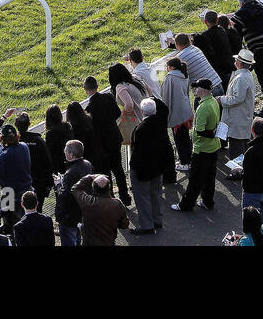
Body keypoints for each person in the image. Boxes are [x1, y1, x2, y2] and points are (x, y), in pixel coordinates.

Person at [174, 79, 221, 212]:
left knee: (195, 178)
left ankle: (186, 205)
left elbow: (200, 131)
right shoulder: (213, 102)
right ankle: (207, 201)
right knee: (209, 177)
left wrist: (208, 134)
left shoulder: (203, 107)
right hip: (213, 147)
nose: (194, 90)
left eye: (196, 88)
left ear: (204, 90)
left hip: (202, 149)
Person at [82, 76, 129, 205]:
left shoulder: (89, 109)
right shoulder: (108, 97)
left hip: (102, 145)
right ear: (97, 87)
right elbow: (117, 114)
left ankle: (111, 199)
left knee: (106, 173)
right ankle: (125, 197)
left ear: (85, 89)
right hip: (115, 138)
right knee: (119, 170)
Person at [127, 98, 171, 235]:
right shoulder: (161, 122)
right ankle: (157, 220)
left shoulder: (140, 129)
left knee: (142, 198)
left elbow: (137, 153)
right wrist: (153, 97)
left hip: (142, 169)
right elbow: (164, 108)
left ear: (141, 111)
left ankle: (147, 226)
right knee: (155, 194)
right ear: (155, 110)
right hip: (157, 167)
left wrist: (133, 169)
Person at [0, 125, 33, 229]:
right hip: (27, 190)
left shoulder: (5, 155)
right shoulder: (24, 146)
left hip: (9, 193)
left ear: (2, 139)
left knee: (11, 226)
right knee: (25, 224)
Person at [219, 49, 258, 163]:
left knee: (236, 147)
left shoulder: (241, 78)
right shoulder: (246, 75)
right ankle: (241, 168)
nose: (235, 61)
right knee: (241, 145)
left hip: (237, 117)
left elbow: (237, 99)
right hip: (242, 116)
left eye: (236, 59)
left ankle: (237, 171)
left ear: (240, 63)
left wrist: (221, 100)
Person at [73, 174, 129, 245]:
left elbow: (75, 189)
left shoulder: (87, 202)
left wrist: (88, 177)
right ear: (109, 188)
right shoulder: (117, 204)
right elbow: (125, 225)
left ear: (94, 189)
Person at [160, 56, 194, 170]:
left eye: (167, 67)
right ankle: (189, 160)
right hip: (186, 111)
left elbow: (165, 98)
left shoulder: (170, 78)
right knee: (186, 138)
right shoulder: (184, 75)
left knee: (179, 140)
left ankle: (184, 163)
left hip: (176, 114)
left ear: (171, 67)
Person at [172, 33, 223, 97]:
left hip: (206, 91)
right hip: (218, 84)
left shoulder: (180, 57)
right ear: (189, 41)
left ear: (176, 45)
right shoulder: (196, 49)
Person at [193, 10, 234, 89]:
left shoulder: (204, 36)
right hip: (229, 66)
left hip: (218, 72)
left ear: (205, 21)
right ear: (217, 20)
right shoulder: (222, 30)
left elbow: (198, 42)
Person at [43, 105, 74, 174]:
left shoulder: (50, 133)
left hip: (58, 164)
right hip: (71, 158)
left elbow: (49, 152)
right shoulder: (67, 126)